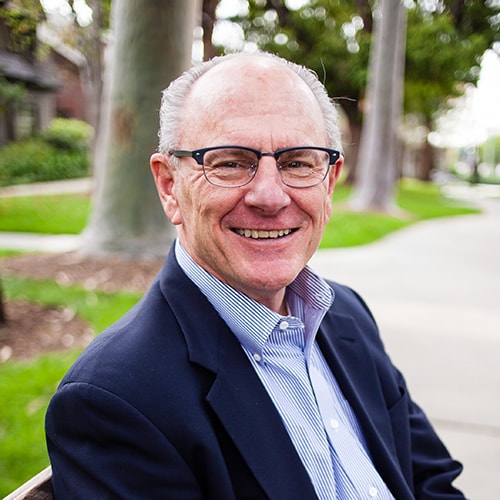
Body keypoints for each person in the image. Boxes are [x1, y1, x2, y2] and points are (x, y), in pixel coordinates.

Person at [45, 52, 465, 499]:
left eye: (298, 162)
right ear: (169, 186)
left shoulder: (348, 315)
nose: (269, 196)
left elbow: (430, 482)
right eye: (230, 162)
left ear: (329, 182)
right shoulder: (113, 399)